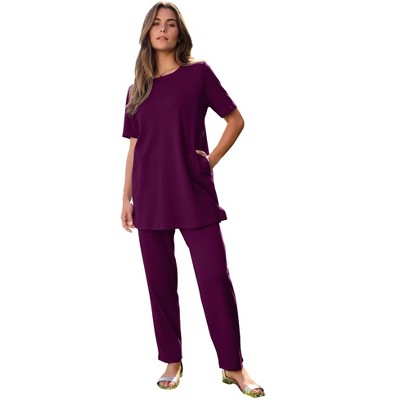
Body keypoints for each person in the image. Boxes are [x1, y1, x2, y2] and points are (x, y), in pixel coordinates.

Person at [120, 2, 265, 397]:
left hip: (192, 192)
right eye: (156, 24)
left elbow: (235, 120)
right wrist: (125, 198)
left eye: (170, 24)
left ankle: (233, 366)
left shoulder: (198, 74)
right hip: (149, 195)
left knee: (215, 278)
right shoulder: (136, 89)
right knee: (160, 283)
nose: (163, 29)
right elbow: (134, 145)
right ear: (147, 32)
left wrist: (210, 161)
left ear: (179, 33)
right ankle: (172, 359)